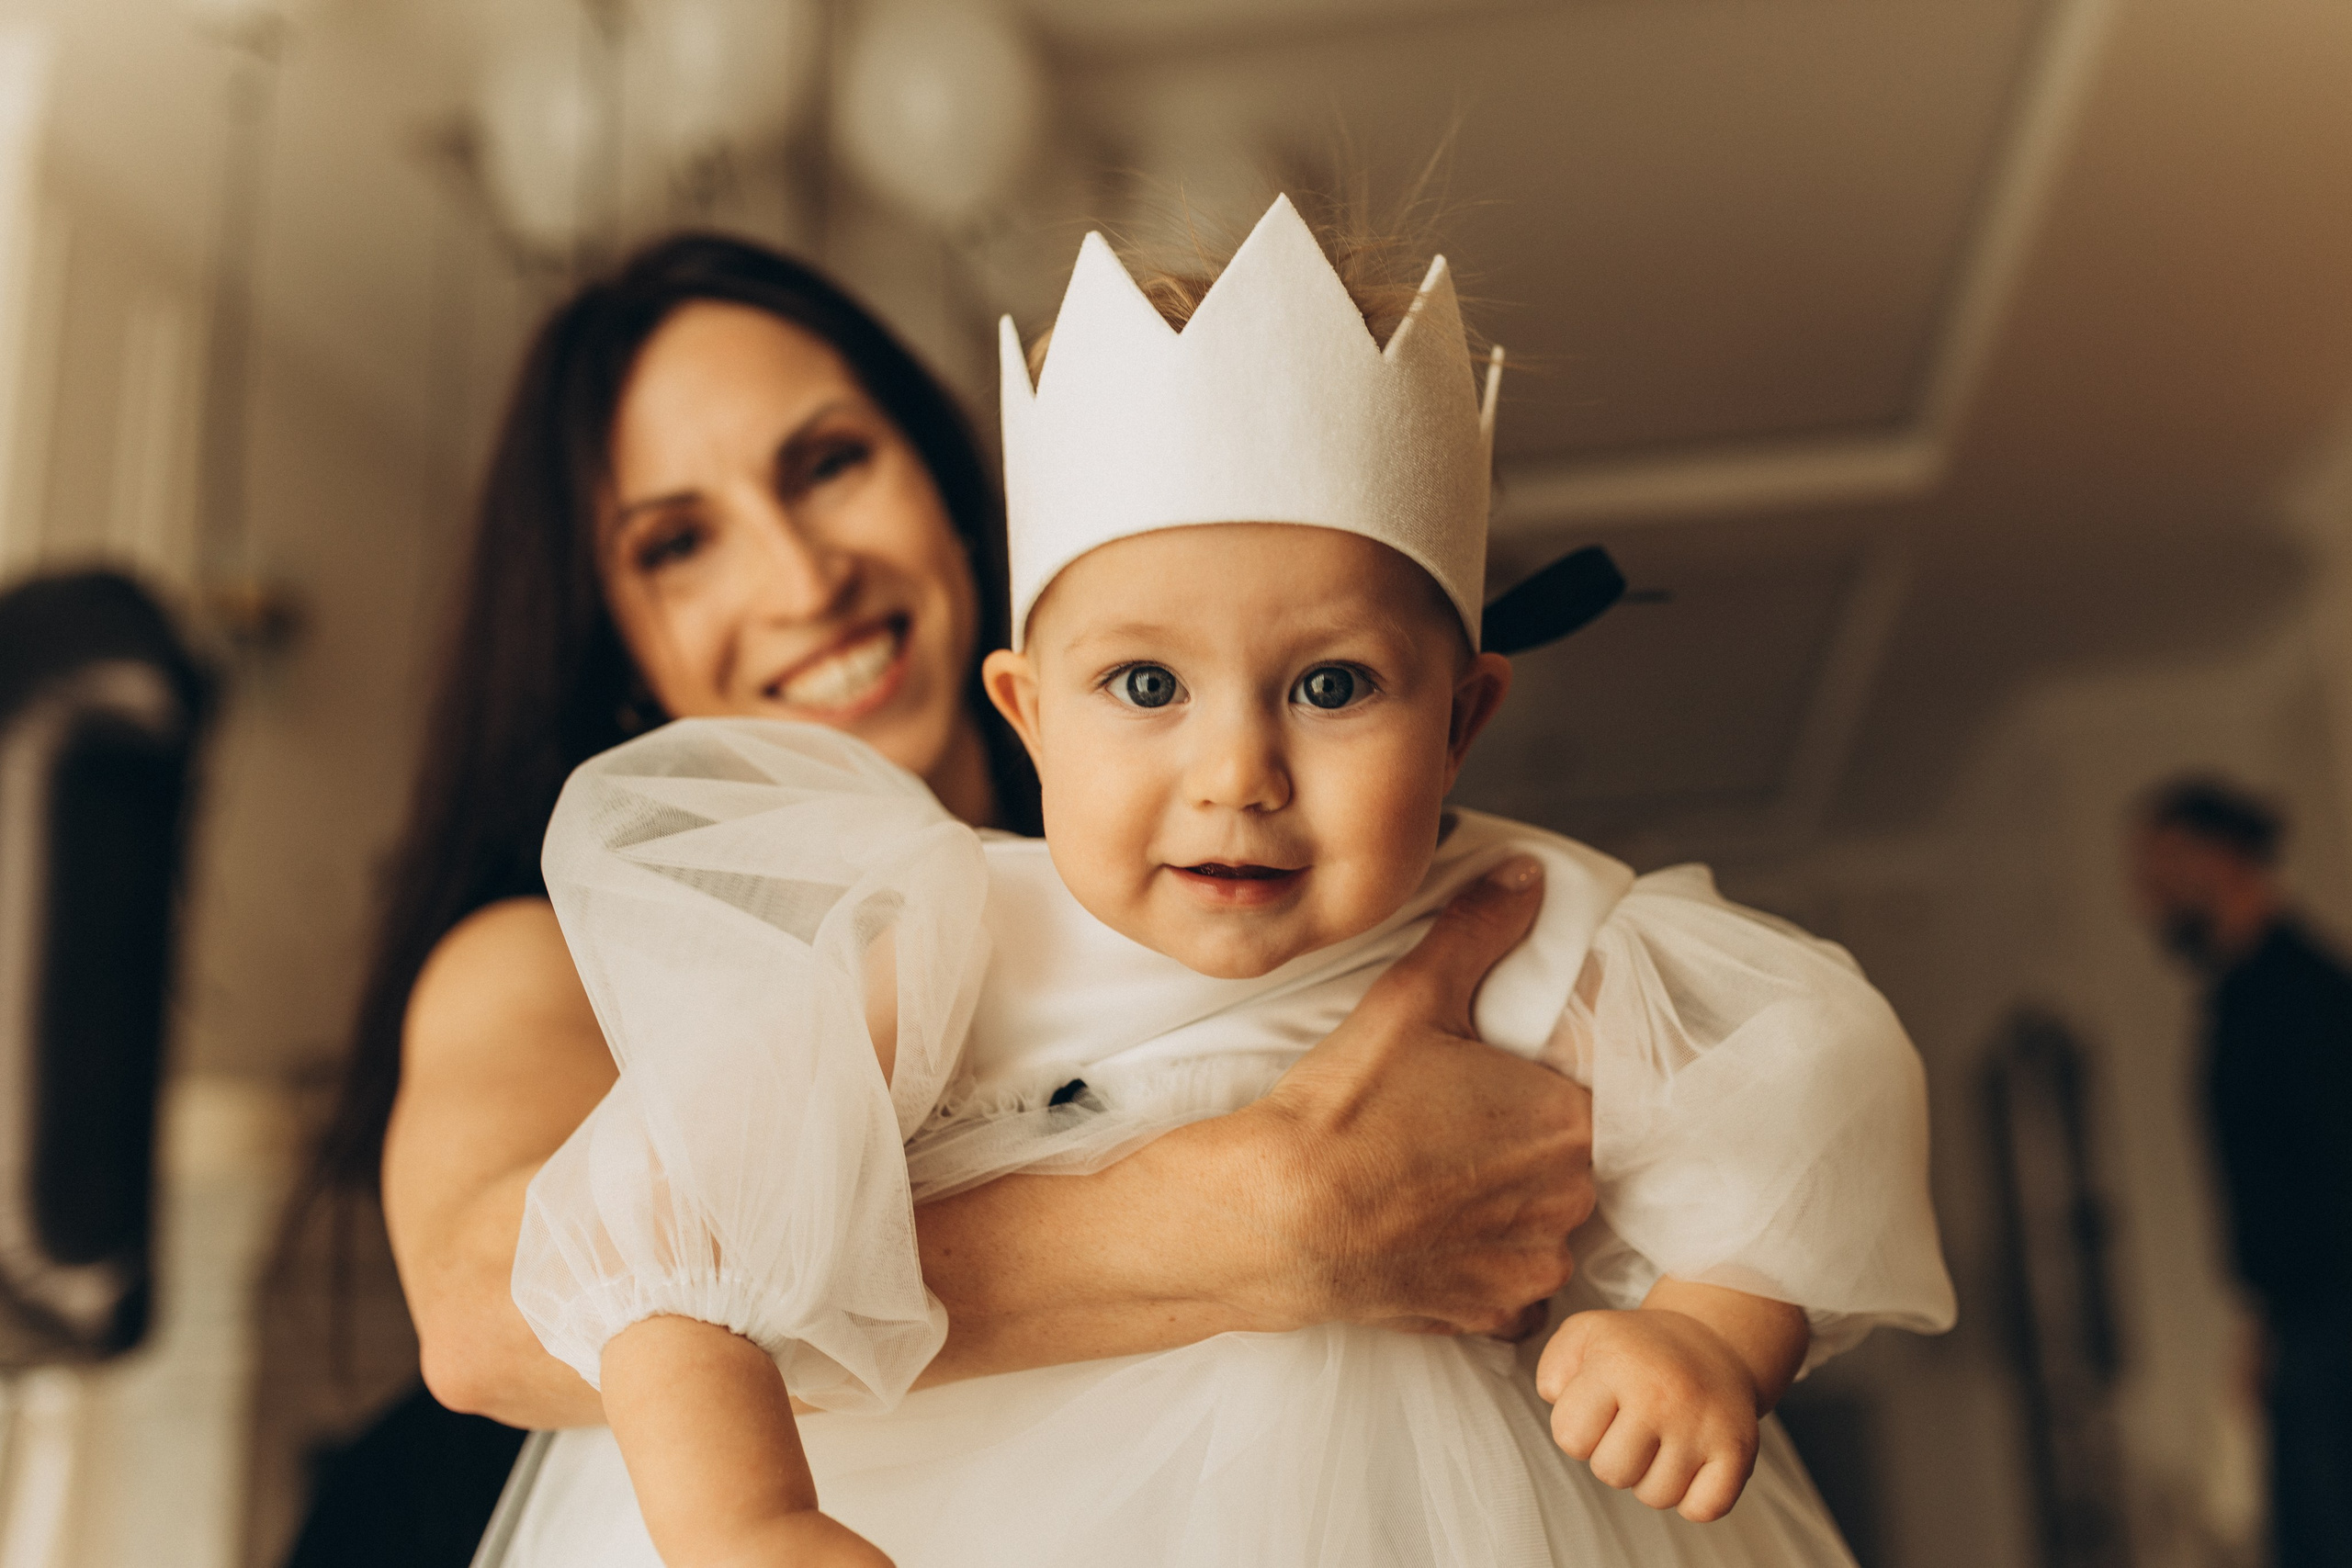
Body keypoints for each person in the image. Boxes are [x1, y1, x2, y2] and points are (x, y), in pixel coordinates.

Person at [498, 197, 1955, 1567]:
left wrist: (1709, 1333)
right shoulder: (950, 934)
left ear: (1461, 720)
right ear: (1030, 714)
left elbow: (1793, 1084)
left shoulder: (1515, 918)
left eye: (1331, 683)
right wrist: (745, 1519)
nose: (1237, 769)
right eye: (1146, 681)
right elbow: (666, 1221)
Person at [287, 231, 1605, 1566]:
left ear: (945, 488)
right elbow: (493, 1311)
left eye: (830, 464)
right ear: (612, 639)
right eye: (680, 542)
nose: (806, 580)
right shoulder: (540, 953)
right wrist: (1274, 1217)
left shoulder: (1260, 867)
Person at [2131, 776, 2352, 1568]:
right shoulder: (2241, 999)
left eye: (2159, 868)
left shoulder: (2305, 993)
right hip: (2301, 1318)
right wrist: (2263, 1324)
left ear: (2217, 856)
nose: (2147, 897)